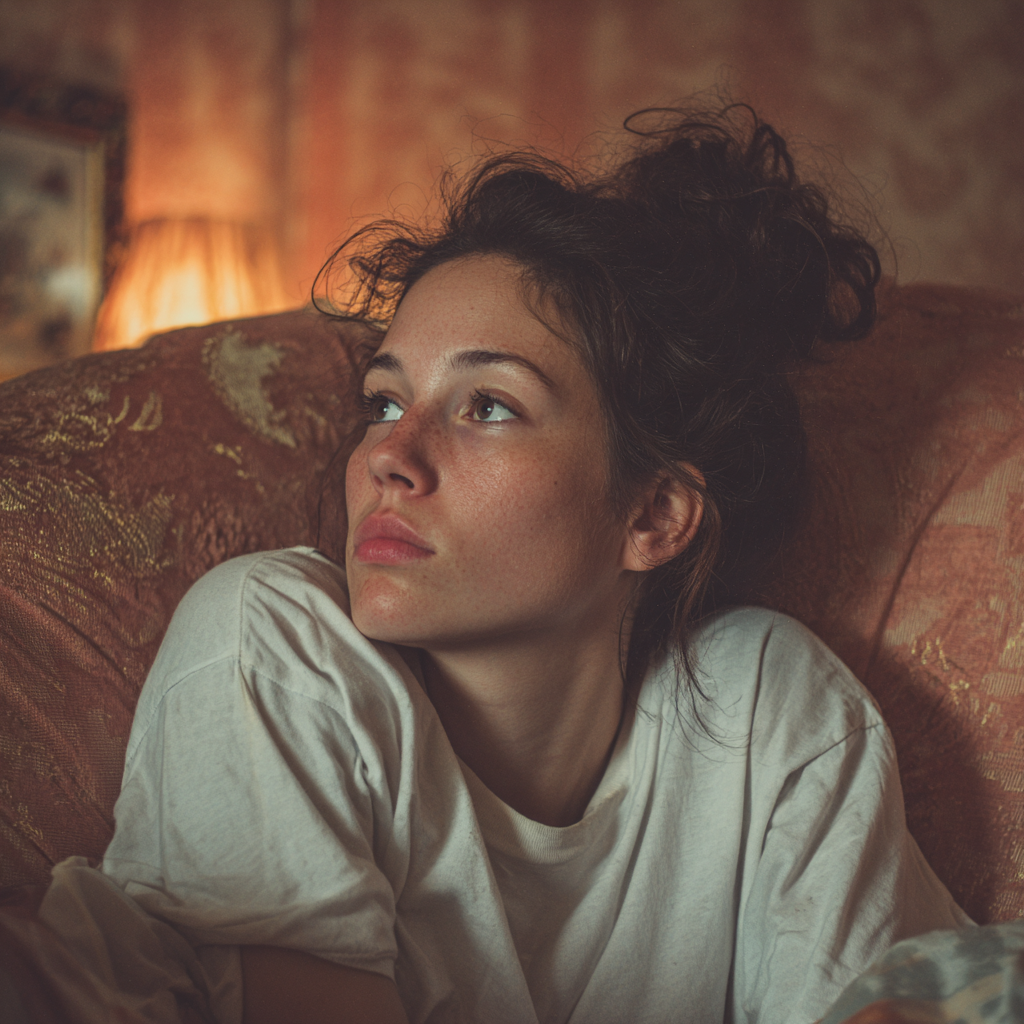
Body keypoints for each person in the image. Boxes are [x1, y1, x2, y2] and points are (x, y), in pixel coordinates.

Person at [52, 104, 970, 1024]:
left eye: (487, 405)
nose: (388, 456)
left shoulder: (767, 712)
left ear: (653, 515)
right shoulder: (272, 641)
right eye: (383, 401)